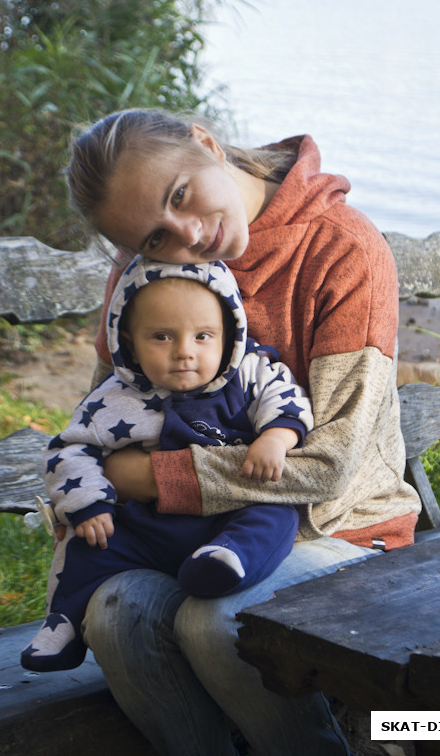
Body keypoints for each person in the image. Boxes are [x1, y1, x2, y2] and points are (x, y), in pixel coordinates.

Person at [62, 108, 422, 756]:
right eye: (152, 239)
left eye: (181, 196)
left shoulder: (341, 248)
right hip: (176, 540)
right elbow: (104, 421)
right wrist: (87, 499)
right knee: (117, 616)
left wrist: (157, 477)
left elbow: (328, 467)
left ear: (205, 142)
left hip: (338, 531)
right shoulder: (138, 275)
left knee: (218, 620)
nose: (189, 237)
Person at [21, 256, 313, 672]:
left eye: (203, 336)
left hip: (226, 516)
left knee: (274, 515)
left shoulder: (251, 372)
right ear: (129, 340)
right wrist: (89, 505)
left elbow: (288, 401)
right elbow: (69, 450)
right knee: (90, 542)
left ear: (229, 333)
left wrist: (276, 436)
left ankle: (227, 562)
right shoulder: (115, 397)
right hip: (150, 528)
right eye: (161, 337)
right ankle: (63, 621)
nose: (184, 353)